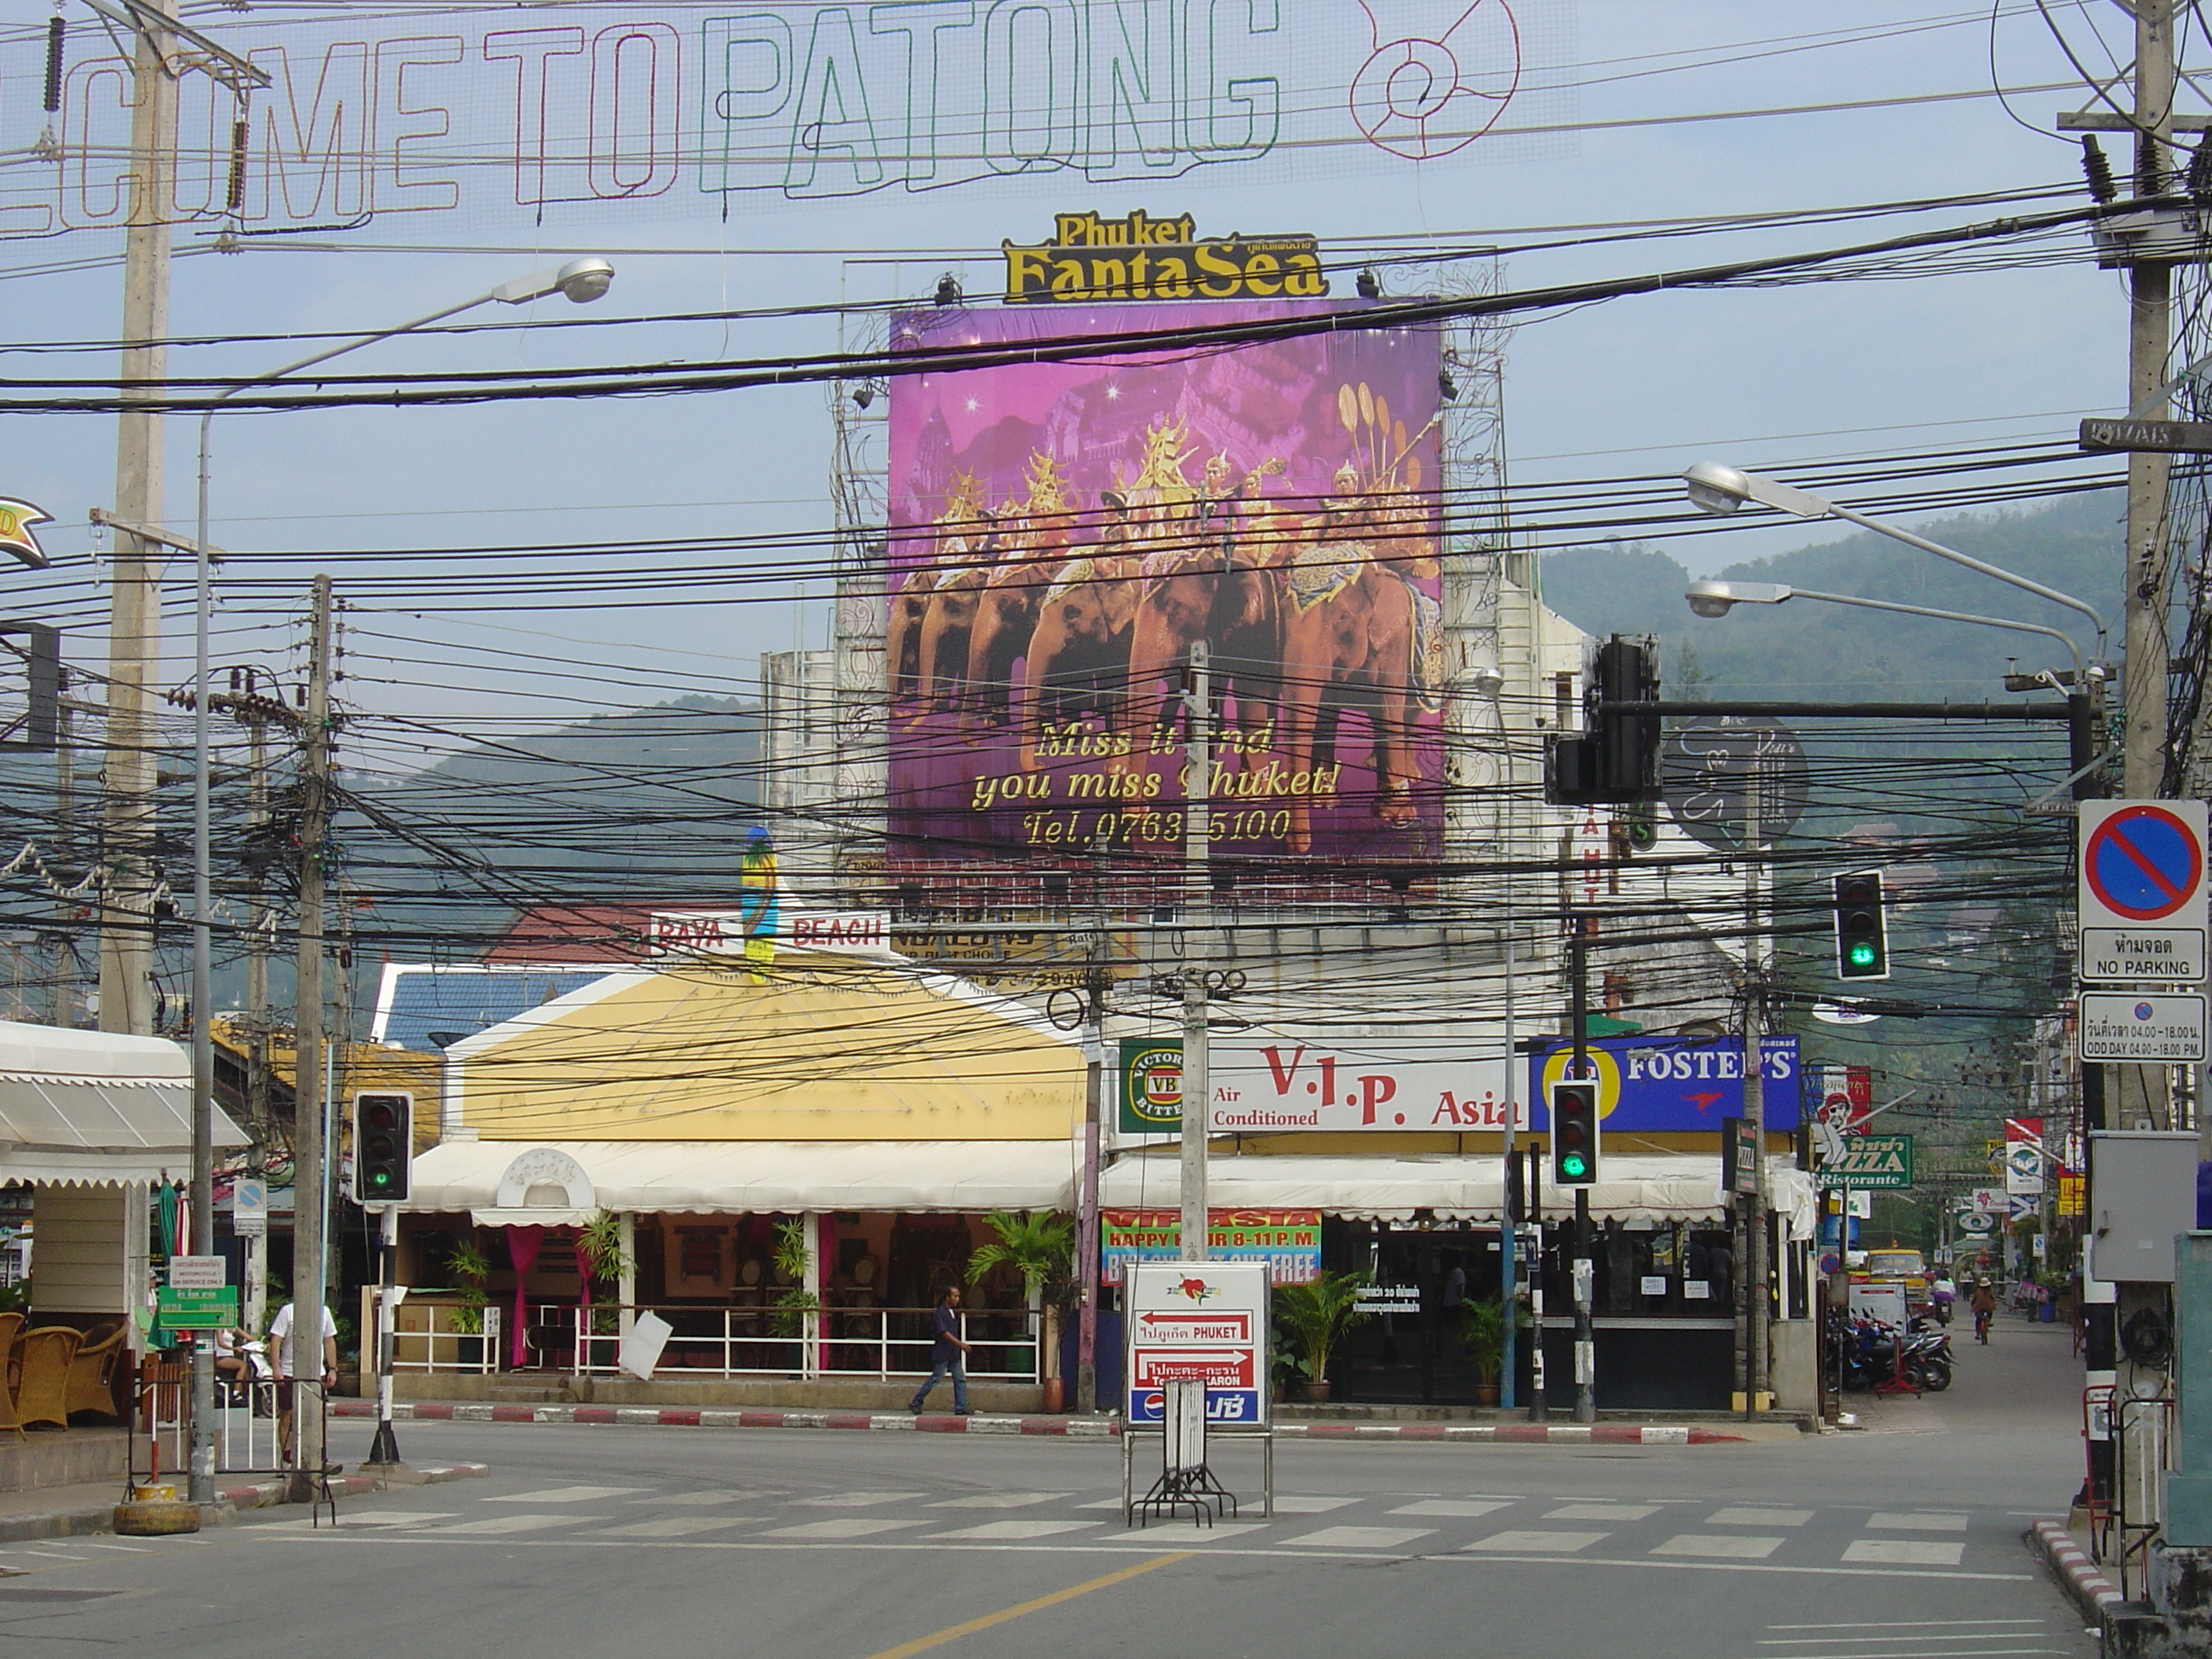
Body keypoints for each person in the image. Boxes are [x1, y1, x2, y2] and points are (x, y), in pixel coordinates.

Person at [269, 1298, 338, 1463]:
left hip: (316, 1372)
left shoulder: (324, 1311)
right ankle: (287, 1456)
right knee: (287, 1414)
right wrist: (276, 1368)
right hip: (289, 1371)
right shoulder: (288, 1311)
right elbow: (276, 1339)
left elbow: (329, 1340)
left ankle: (319, 1455)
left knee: (319, 1415)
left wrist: (332, 1368)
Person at [907, 1284, 973, 1416]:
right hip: (943, 1353)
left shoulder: (951, 1313)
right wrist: (960, 1344)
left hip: (952, 1354)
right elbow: (944, 1332)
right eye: (955, 1296)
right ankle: (916, 1402)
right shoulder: (940, 1313)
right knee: (935, 1379)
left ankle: (961, 1406)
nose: (957, 1299)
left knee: (960, 1379)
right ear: (947, 1297)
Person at [1970, 1278, 1997, 1345]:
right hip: (1988, 1308)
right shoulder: (1990, 1291)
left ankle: (1978, 1333)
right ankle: (1988, 1321)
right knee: (1990, 1313)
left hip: (1978, 1308)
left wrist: (1972, 1305)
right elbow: (1993, 1299)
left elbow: (1974, 1299)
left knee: (1978, 1319)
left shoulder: (1978, 1291)